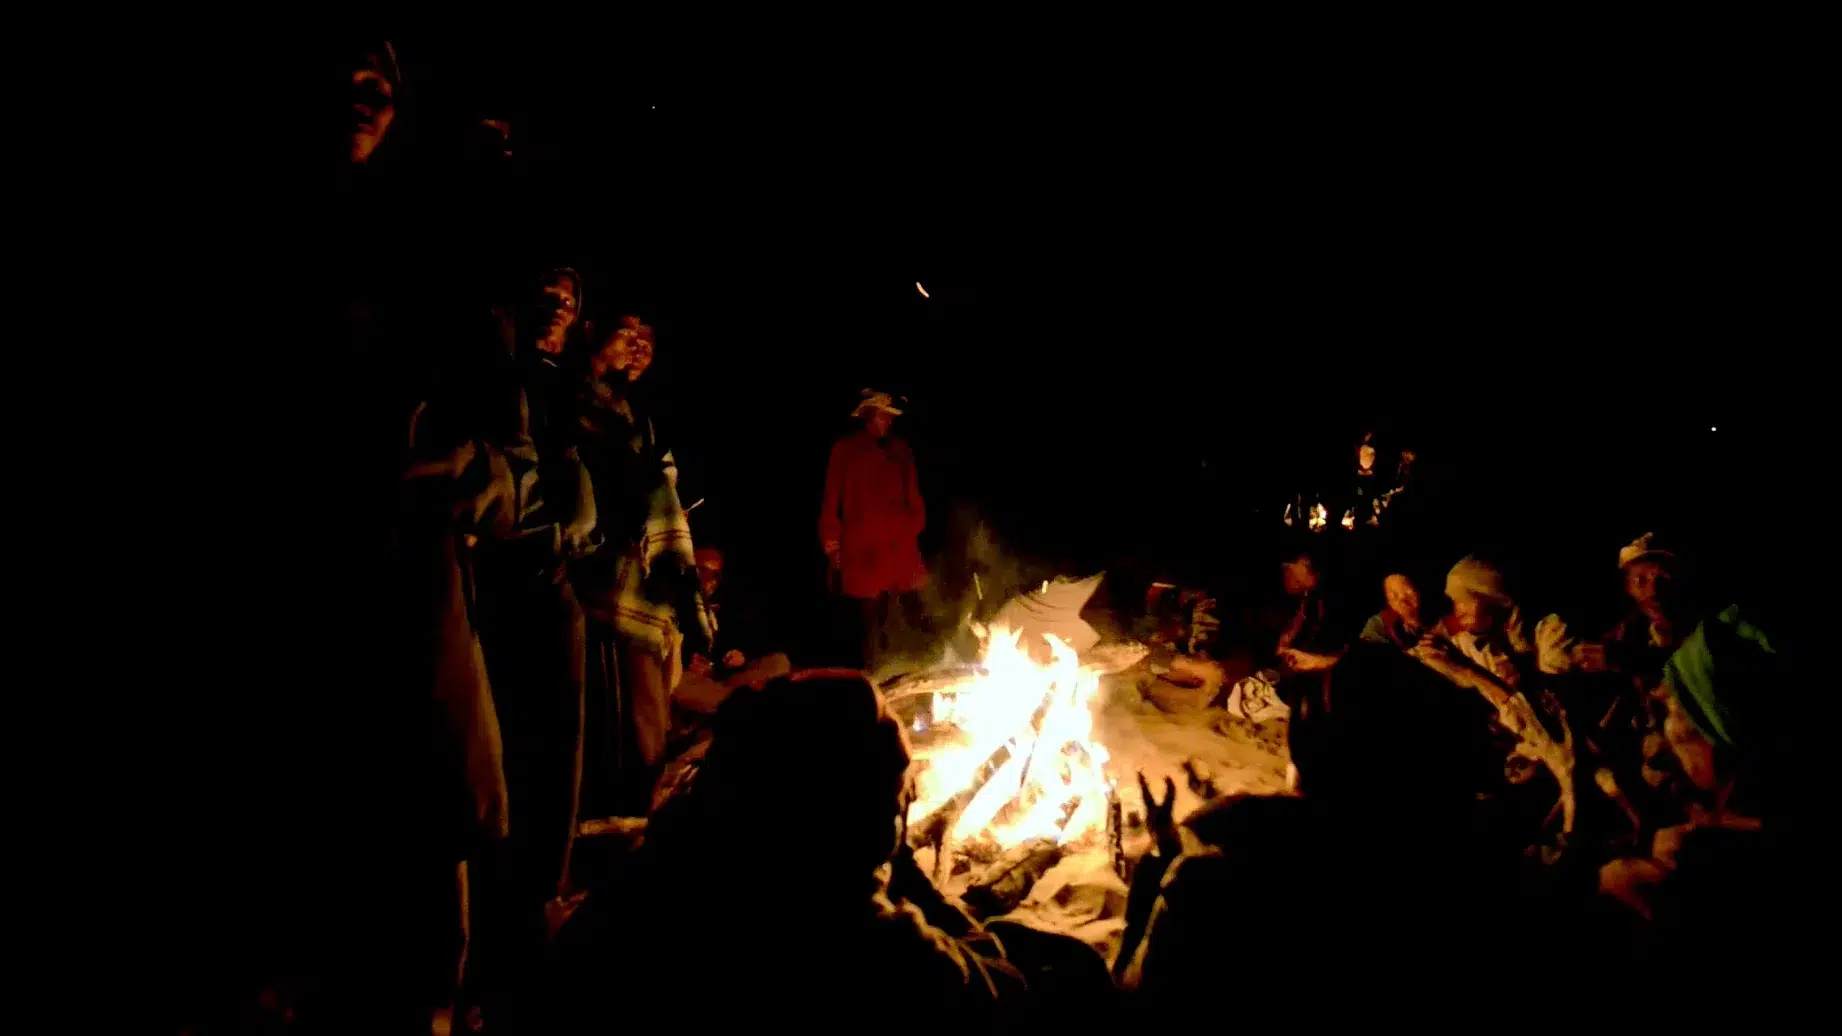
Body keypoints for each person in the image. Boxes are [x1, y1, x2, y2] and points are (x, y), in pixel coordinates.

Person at [552, 672, 1023, 1022]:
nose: (908, 800)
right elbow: (1005, 992)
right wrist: (913, 876)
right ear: (858, 815)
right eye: (899, 791)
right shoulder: (857, 937)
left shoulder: (666, 863)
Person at [462, 266, 596, 1029]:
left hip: (553, 583)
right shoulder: (504, 379)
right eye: (544, 295)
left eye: (569, 302)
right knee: (512, 764)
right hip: (510, 587)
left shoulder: (556, 384)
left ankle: (537, 911)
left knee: (554, 766)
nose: (556, 310)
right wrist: (553, 531)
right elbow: (517, 490)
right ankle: (500, 944)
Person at [573, 314, 712, 817]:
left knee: (642, 719)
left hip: (641, 593)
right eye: (628, 334)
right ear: (592, 330)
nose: (638, 348)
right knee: (616, 726)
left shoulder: (637, 418)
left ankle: (639, 821)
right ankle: (628, 828)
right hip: (594, 589)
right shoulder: (571, 400)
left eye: (648, 341)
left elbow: (661, 498)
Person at [820, 390, 929, 668]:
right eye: (884, 416)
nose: (888, 422)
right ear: (869, 416)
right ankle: (873, 682)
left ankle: (922, 668)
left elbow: (913, 494)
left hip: (901, 549)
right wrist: (832, 544)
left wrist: (914, 523)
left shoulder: (901, 450)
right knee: (869, 626)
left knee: (915, 616)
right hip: (864, 551)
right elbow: (831, 499)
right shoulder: (845, 450)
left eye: (891, 417)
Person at [672, 546, 792, 716]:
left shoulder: (726, 604)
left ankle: (739, 702)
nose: (708, 580)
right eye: (702, 570)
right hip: (694, 680)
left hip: (726, 679)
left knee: (779, 662)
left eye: (715, 575)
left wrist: (742, 654)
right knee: (678, 685)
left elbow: (756, 637)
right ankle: (742, 703)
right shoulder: (675, 603)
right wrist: (686, 660)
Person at [1359, 572, 1425, 649]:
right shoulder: (1377, 625)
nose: (1402, 599)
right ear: (1388, 601)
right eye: (1394, 596)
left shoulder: (1435, 619)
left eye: (1407, 591)